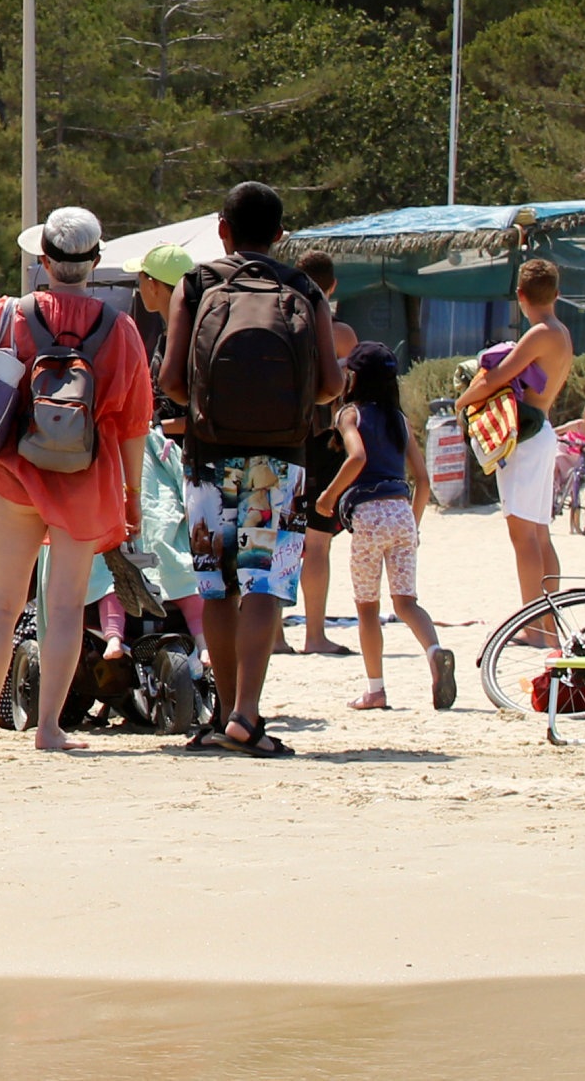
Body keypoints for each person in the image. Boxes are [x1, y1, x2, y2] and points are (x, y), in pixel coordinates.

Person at [159, 180, 347, 759]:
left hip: (208, 456)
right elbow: (331, 386)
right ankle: (246, 714)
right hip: (280, 460)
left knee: (218, 586)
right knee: (264, 582)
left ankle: (218, 714)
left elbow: (169, 381)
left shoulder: (196, 284)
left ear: (223, 229)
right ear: (281, 236)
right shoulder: (303, 288)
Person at [0, 209, 153, 754]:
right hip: (85, 477)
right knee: (67, 607)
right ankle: (48, 727)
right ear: (94, 261)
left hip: (16, 472)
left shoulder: (11, 314)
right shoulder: (120, 328)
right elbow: (135, 422)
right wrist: (134, 496)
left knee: (1, 603)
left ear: (42, 259)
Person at [315, 340, 453, 711]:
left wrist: (328, 497)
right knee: (407, 602)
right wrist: (415, 525)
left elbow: (357, 457)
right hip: (402, 513)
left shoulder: (350, 415)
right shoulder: (401, 421)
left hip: (370, 515)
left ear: (354, 377)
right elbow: (423, 481)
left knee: (366, 608)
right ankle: (435, 651)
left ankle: (375, 690)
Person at [464, 256, 578, 622]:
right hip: (542, 429)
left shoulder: (540, 333)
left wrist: (462, 400)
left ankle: (532, 624)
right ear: (557, 293)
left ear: (520, 295)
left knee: (523, 535)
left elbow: (498, 376)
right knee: (540, 534)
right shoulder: (561, 332)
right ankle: (547, 622)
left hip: (525, 437)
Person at [287, 248, 355, 659]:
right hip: (324, 438)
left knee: (278, 537)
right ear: (331, 286)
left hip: (284, 435)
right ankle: (315, 633)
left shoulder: (283, 325)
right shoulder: (341, 333)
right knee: (317, 543)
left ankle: (275, 634)